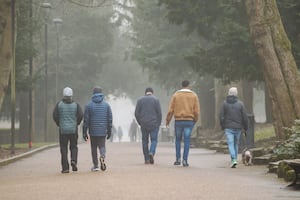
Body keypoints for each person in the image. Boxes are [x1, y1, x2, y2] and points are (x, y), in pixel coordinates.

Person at [166, 80, 200, 167]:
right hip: (189, 120)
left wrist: (168, 121)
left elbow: (170, 110)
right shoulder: (193, 95)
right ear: (189, 86)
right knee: (187, 140)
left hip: (178, 120)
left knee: (177, 140)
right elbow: (196, 111)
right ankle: (185, 160)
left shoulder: (176, 95)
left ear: (181, 85)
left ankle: (178, 159)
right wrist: (195, 119)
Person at [52, 87, 83, 173]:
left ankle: (65, 167)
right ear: (71, 95)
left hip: (63, 130)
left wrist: (59, 123)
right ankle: (74, 160)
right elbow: (80, 115)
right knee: (73, 146)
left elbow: (55, 115)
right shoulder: (76, 105)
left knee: (63, 148)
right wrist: (77, 123)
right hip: (73, 129)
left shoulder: (59, 105)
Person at [83, 87, 113, 171]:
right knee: (102, 146)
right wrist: (109, 130)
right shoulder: (106, 105)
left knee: (93, 148)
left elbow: (86, 120)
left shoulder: (88, 105)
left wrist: (84, 131)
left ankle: (96, 165)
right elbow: (110, 118)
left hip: (93, 131)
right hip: (102, 130)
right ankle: (102, 156)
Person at [219, 87, 248, 168]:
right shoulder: (240, 104)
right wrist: (245, 127)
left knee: (230, 143)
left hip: (228, 127)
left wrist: (222, 125)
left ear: (229, 93)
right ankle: (234, 160)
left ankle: (234, 159)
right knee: (235, 143)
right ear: (236, 94)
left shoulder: (224, 104)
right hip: (238, 127)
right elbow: (244, 117)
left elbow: (221, 116)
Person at [135, 87, 162, 164]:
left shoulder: (140, 100)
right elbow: (159, 113)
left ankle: (146, 159)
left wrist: (140, 122)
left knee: (144, 141)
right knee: (154, 140)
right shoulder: (156, 100)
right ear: (152, 92)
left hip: (144, 123)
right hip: (154, 123)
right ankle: (152, 152)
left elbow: (136, 113)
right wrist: (158, 123)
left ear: (145, 92)